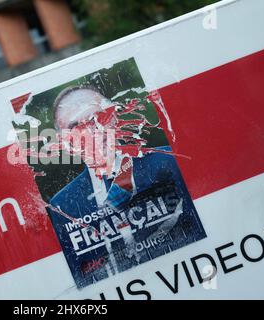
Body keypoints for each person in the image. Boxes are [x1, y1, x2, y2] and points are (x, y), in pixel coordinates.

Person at [47, 86, 205, 288]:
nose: (92, 130)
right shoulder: (63, 206)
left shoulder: (170, 163)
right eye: (76, 126)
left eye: (99, 116)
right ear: (65, 142)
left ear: (114, 116)